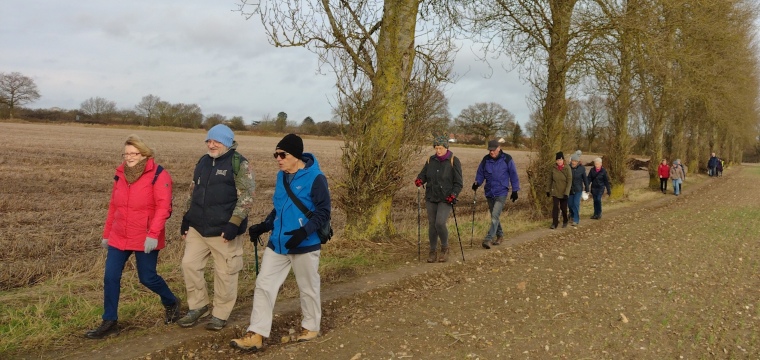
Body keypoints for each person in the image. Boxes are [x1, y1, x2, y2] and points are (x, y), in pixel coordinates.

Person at [230, 134, 330, 352]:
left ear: (295, 155)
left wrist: (304, 233)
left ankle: (311, 327)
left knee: (308, 287)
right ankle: (256, 333)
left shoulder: (316, 178)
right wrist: (265, 226)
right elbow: (280, 207)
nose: (278, 158)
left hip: (304, 244)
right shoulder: (281, 176)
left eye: (282, 154)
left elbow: (323, 213)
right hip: (278, 243)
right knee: (264, 285)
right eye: (275, 154)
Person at [85, 135, 180, 339]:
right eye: (126, 153)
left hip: (145, 236)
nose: (129, 157)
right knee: (110, 277)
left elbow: (164, 207)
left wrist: (153, 235)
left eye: (133, 153)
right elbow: (114, 205)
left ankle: (171, 301)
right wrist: (107, 234)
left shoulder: (159, 174)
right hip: (119, 235)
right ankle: (110, 321)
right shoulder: (120, 174)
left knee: (147, 278)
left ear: (144, 154)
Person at [178, 124, 255, 331]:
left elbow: (247, 197)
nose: (211, 145)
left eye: (216, 141)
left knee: (225, 273)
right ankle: (198, 305)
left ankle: (220, 314)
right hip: (197, 228)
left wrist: (234, 223)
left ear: (228, 143)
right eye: (209, 141)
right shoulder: (203, 161)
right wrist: (186, 218)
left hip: (224, 231)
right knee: (189, 265)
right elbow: (192, 191)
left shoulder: (239, 163)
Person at [414, 135, 463, 262]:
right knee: (432, 225)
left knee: (439, 223)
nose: (438, 151)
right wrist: (420, 180)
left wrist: (454, 194)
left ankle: (445, 248)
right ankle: (432, 251)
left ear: (446, 147)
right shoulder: (431, 160)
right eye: (436, 148)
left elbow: (458, 183)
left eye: (440, 148)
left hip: (446, 198)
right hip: (431, 196)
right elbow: (423, 174)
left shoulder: (453, 161)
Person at [472, 139, 520, 249]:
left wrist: (515, 190)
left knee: (494, 216)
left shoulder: (507, 159)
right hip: (489, 192)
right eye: (490, 150)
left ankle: (488, 238)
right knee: (495, 216)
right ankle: (500, 236)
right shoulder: (486, 160)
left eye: (493, 150)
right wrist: (477, 183)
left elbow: (513, 175)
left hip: (501, 192)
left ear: (499, 148)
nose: (491, 152)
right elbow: (480, 173)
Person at [547, 151, 572, 229]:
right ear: (556, 161)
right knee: (555, 207)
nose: (559, 161)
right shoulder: (553, 168)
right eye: (558, 160)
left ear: (563, 160)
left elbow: (569, 181)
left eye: (560, 160)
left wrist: (567, 192)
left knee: (563, 208)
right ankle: (554, 223)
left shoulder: (567, 168)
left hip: (564, 191)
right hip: (555, 191)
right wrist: (548, 190)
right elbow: (549, 179)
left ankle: (565, 220)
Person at [567, 150, 589, 227]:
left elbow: (585, 179)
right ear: (571, 161)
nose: (574, 162)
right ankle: (572, 215)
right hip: (569, 189)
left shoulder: (582, 169)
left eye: (575, 161)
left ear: (578, 162)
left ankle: (576, 220)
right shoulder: (568, 168)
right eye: (573, 161)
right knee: (570, 204)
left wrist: (587, 188)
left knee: (576, 204)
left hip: (578, 189)